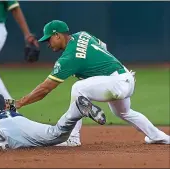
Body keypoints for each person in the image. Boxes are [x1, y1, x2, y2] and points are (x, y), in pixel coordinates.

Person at [15, 20, 170, 145]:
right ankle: (159, 136)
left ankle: (73, 138)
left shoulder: (68, 58)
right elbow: (103, 47)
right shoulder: (83, 35)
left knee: (78, 89)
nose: (48, 44)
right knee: (124, 112)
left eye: (48, 39)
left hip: (115, 83)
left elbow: (45, 88)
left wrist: (20, 103)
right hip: (125, 77)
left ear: (57, 35)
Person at [0, 91, 105, 150]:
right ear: (3, 105)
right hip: (20, 121)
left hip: (1, 128)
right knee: (56, 133)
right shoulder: (10, 112)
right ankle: (75, 110)